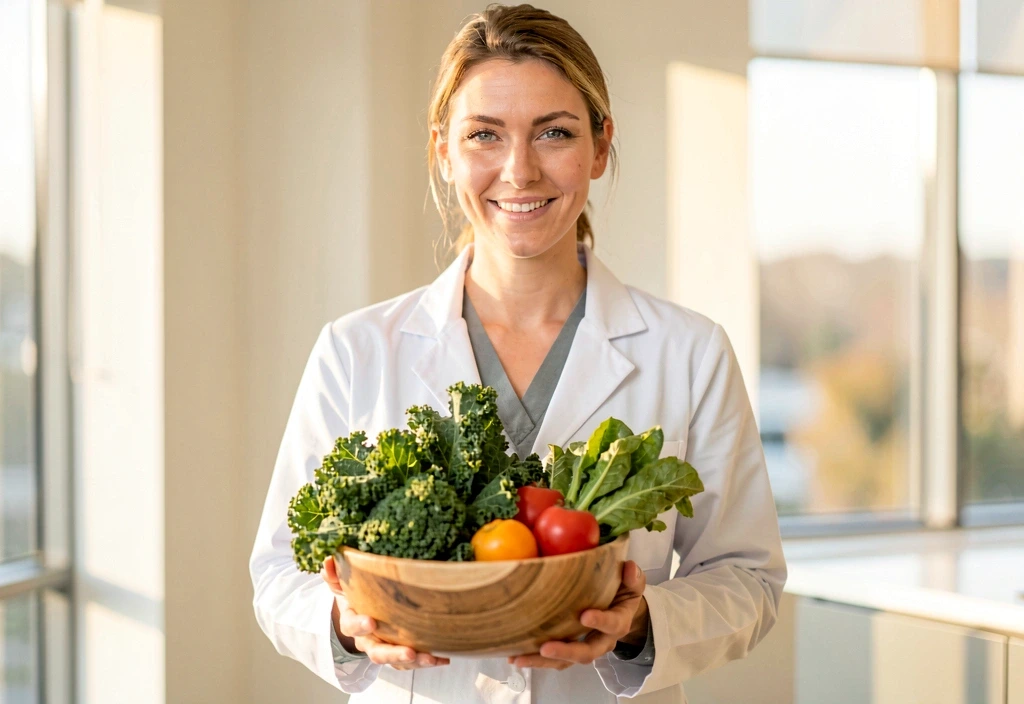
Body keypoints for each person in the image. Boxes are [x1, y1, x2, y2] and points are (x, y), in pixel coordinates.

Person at [249, 4, 786, 703]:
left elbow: (747, 578)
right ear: (443, 151)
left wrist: (639, 623)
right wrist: (346, 625)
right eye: (485, 135)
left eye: (554, 133)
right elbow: (279, 575)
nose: (519, 170)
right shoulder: (355, 350)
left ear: (600, 146)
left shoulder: (689, 352)